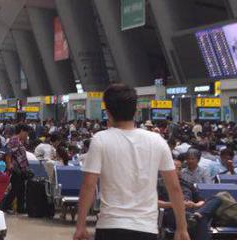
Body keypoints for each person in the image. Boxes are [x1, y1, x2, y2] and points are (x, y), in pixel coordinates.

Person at [73, 84, 188, 240]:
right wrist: (182, 228)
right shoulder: (157, 140)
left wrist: (80, 225)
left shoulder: (100, 139)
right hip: (146, 228)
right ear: (136, 110)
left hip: (110, 226)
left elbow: (88, 185)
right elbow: (174, 187)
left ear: (108, 112)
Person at [0, 124, 31, 215]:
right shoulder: (14, 140)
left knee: (21, 188)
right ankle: (4, 206)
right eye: (26, 133)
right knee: (15, 188)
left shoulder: (20, 141)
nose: (27, 135)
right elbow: (8, 152)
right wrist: (9, 165)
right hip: (15, 168)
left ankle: (21, 208)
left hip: (21, 168)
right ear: (21, 131)